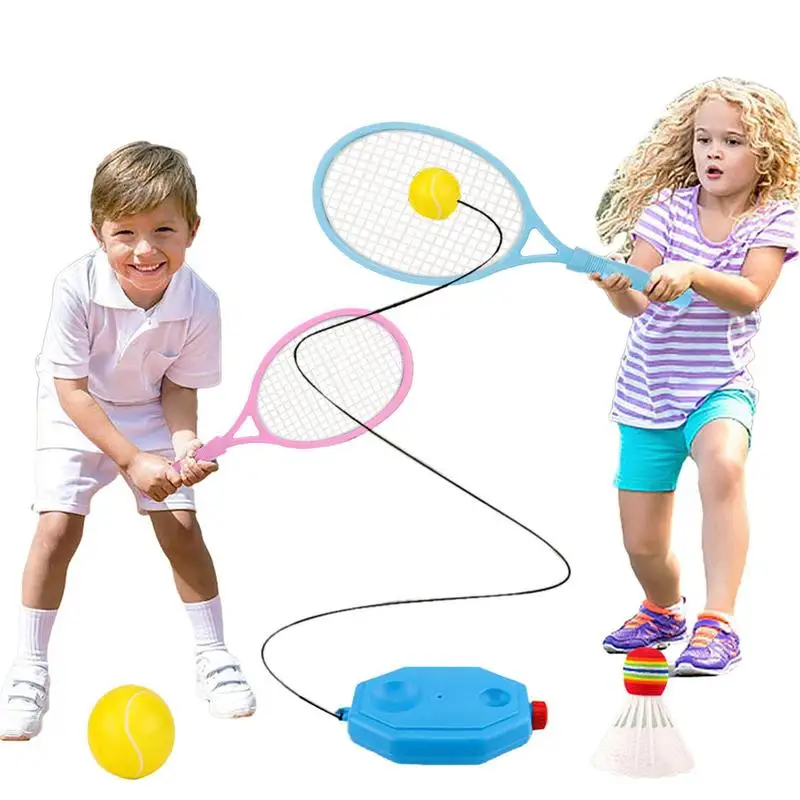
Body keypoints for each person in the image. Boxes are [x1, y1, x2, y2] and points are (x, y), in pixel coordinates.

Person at [0, 141, 255, 740]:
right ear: (99, 233)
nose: (145, 249)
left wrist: (184, 444)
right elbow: (70, 390)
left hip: (149, 411)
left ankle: (215, 656)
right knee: (56, 529)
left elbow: (179, 387)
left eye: (163, 230)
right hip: (75, 409)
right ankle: (28, 669)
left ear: (192, 230)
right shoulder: (74, 286)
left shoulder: (202, 302)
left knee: (182, 528)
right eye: (125, 233)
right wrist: (132, 460)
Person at [591, 77, 799, 675]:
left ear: (765, 153)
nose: (713, 152)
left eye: (732, 141)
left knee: (725, 465)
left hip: (718, 387)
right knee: (643, 546)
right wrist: (617, 287)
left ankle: (718, 623)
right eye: (704, 138)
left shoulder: (774, 218)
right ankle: (662, 610)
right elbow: (636, 301)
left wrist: (694, 273)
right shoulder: (665, 211)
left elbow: (750, 293)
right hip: (647, 395)